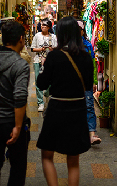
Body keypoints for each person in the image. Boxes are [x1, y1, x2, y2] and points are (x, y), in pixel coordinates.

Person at [36, 16, 93, 186]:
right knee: (73, 159)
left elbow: (41, 84)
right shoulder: (85, 56)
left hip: (57, 108)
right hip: (78, 107)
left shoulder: (54, 56)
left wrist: (44, 68)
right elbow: (89, 85)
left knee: (47, 154)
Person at [0, 20, 31, 186]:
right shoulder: (20, 64)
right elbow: (20, 97)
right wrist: (18, 127)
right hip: (12, 122)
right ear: (21, 40)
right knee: (17, 167)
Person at [77, 20, 102, 145]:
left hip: (86, 80)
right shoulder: (67, 46)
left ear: (83, 31)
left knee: (89, 106)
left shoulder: (87, 45)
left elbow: (92, 64)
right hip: (72, 82)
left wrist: (93, 81)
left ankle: (92, 134)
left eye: (79, 29)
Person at [30, 19, 57, 112]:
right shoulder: (37, 36)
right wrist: (41, 49)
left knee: (51, 81)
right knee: (38, 81)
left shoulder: (53, 37)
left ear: (49, 27)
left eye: (45, 26)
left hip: (50, 62)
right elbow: (32, 49)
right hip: (38, 60)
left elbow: (57, 49)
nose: (43, 27)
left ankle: (47, 94)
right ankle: (40, 102)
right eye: (42, 26)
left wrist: (51, 49)